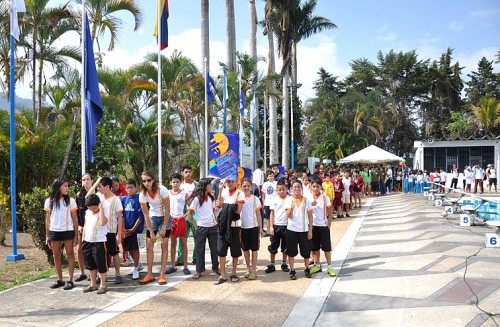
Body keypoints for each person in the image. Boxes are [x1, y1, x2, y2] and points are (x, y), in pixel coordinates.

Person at [44, 178, 78, 290]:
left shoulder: (71, 201)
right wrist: (47, 235)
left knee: (70, 254)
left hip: (68, 231)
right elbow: (48, 220)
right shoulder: (49, 201)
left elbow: (75, 219)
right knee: (56, 255)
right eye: (65, 186)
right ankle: (60, 279)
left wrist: (76, 235)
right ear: (58, 187)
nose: (67, 188)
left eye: (68, 186)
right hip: (54, 231)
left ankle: (70, 280)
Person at [138, 171, 171, 285]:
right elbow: (145, 214)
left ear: (153, 180)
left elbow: (168, 209)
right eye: (144, 181)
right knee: (149, 245)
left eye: (148, 180)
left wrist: (164, 227)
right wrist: (151, 231)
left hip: (164, 217)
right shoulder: (143, 194)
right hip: (153, 217)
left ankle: (162, 274)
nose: (146, 183)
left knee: (164, 245)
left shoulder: (162, 190)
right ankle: (149, 274)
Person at [188, 178, 219, 280]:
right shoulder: (197, 199)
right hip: (201, 227)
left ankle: (215, 268)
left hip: (212, 226)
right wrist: (196, 225)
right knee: (200, 249)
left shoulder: (211, 198)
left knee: (214, 248)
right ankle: (199, 270)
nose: (211, 186)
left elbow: (215, 210)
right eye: (210, 185)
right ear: (205, 186)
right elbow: (189, 213)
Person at [215, 178, 245, 284]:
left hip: (234, 226)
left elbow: (238, 210)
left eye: (232, 181)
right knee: (221, 250)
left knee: (235, 250)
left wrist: (226, 206)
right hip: (223, 225)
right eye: (228, 182)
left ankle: (234, 273)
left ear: (236, 182)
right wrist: (219, 191)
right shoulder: (223, 191)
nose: (230, 183)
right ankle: (223, 275)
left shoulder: (240, 193)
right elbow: (218, 205)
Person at [98, 177, 124, 284]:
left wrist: (119, 234)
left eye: (100, 187)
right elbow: (87, 197)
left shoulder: (116, 199)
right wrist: (96, 183)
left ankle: (118, 274)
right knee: (101, 254)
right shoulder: (99, 197)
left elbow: (120, 217)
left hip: (111, 231)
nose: (98, 189)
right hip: (100, 232)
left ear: (107, 187)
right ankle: (103, 275)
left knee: (114, 252)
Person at [285, 180, 313, 280]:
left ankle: (307, 268)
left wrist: (310, 230)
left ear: (302, 189)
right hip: (291, 230)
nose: (297, 189)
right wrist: (291, 208)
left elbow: (310, 216)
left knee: (306, 251)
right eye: (295, 187)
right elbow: (288, 216)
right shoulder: (289, 200)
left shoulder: (306, 200)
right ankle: (292, 270)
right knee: (291, 251)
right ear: (292, 189)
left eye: (298, 187)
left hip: (303, 229)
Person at [307, 178, 336, 277]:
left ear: (321, 187)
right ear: (311, 187)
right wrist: (311, 204)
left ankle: (329, 266)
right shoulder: (307, 197)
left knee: (326, 248)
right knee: (315, 248)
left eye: (317, 187)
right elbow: (305, 210)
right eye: (313, 186)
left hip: (323, 226)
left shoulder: (325, 197)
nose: (315, 189)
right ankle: (317, 265)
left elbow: (330, 210)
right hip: (313, 226)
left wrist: (329, 223)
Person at [81, 194, 109, 294]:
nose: (92, 209)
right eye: (89, 207)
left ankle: (103, 285)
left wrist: (100, 209)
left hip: (99, 242)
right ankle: (93, 284)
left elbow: (102, 223)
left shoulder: (103, 212)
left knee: (101, 264)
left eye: (94, 207)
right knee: (90, 264)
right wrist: (83, 239)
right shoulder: (87, 212)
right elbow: (85, 225)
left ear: (98, 204)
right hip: (87, 241)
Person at [166, 173, 191, 275]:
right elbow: (165, 207)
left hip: (181, 220)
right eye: (173, 182)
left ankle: (185, 266)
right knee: (173, 244)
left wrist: (184, 216)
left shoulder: (184, 193)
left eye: (177, 182)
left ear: (180, 183)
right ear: (170, 183)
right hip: (171, 220)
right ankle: (172, 266)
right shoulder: (167, 193)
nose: (175, 184)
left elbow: (190, 206)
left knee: (184, 243)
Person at [240, 178, 264, 280]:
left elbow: (258, 214)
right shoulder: (238, 198)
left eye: (248, 186)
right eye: (244, 186)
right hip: (242, 227)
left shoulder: (255, 199)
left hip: (253, 227)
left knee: (254, 249)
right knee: (245, 250)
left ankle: (254, 270)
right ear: (241, 187)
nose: (246, 188)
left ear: (251, 187)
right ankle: (248, 269)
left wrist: (261, 228)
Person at [121, 179, 144, 280]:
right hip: (126, 230)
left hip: (136, 230)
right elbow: (121, 215)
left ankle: (135, 268)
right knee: (128, 249)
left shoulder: (139, 199)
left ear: (136, 188)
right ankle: (138, 264)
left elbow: (141, 216)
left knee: (135, 249)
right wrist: (123, 228)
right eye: (127, 187)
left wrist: (134, 229)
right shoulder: (124, 199)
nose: (129, 189)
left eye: (131, 187)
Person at [265, 181, 290, 274]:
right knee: (273, 245)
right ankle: (272, 264)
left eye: (283, 189)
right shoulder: (274, 200)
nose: (281, 191)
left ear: (286, 189)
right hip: (276, 225)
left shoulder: (289, 199)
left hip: (287, 226)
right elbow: (272, 214)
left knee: (286, 246)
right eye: (279, 190)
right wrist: (271, 226)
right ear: (276, 190)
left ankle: (284, 263)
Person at [176, 166, 198, 266]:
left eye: (189, 172)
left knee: (197, 235)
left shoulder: (196, 184)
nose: (188, 174)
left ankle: (196, 258)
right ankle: (180, 258)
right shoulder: (179, 186)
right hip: (182, 214)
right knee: (181, 236)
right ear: (182, 173)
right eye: (186, 172)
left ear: (192, 173)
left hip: (194, 213)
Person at [75, 173, 94, 283]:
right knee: (79, 249)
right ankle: (82, 272)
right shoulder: (78, 196)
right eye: (83, 180)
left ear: (92, 181)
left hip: (93, 227)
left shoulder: (96, 194)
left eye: (87, 179)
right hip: (82, 227)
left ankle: (94, 272)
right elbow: (76, 213)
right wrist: (79, 226)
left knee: (92, 250)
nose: (85, 181)